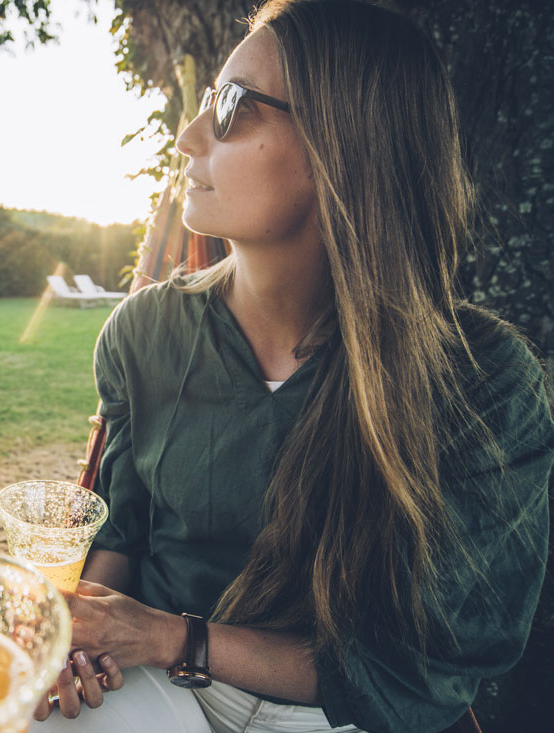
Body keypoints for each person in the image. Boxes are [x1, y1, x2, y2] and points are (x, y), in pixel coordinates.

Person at [32, 1, 554, 731]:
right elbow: (124, 528)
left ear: (346, 145)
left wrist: (172, 635)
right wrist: (83, 635)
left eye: (233, 106)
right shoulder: (144, 333)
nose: (188, 137)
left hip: (345, 714)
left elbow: (421, 670)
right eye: (207, 100)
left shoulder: (483, 386)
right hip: (153, 688)